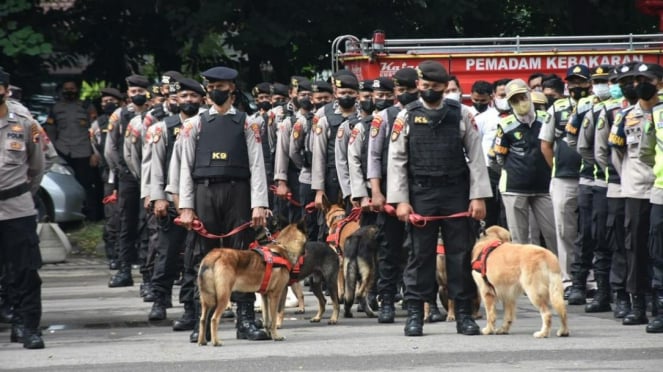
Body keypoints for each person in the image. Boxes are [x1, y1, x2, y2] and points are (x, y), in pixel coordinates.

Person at [387, 60, 492, 336]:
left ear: (446, 87)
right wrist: (401, 200)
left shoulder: (461, 113)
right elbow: (397, 160)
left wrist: (478, 196)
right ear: (418, 86)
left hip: (455, 192)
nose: (429, 91)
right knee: (419, 256)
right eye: (424, 86)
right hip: (421, 193)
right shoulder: (405, 116)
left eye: (435, 87)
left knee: (459, 255)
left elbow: (476, 156)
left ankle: (463, 314)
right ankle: (415, 314)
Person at [177, 66, 270, 342]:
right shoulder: (193, 125)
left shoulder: (247, 122)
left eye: (222, 86)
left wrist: (259, 204)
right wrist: (185, 206)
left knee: (241, 256)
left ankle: (246, 321)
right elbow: (185, 167)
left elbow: (257, 165)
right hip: (204, 193)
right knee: (201, 258)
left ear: (232, 89)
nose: (217, 90)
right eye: (212, 86)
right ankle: (201, 322)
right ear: (207, 91)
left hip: (238, 193)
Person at [145, 77, 206, 324]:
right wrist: (157, 197)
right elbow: (154, 167)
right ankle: (160, 300)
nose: (188, 101)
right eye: (183, 97)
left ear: (202, 99)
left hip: (201, 203)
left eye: (193, 96)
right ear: (175, 100)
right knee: (167, 254)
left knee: (196, 257)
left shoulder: (207, 123)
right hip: (171, 204)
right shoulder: (162, 128)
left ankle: (192, 305)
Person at [609, 62, 659, 326]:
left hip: (660, 188)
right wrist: (631, 177)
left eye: (645, 79)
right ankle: (637, 302)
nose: (639, 84)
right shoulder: (625, 116)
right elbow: (617, 154)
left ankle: (657, 300)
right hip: (638, 190)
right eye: (636, 80)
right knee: (636, 248)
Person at [368, 67, 419, 323]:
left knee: (418, 250)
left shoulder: (425, 113)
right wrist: (376, 191)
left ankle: (417, 301)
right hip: (390, 191)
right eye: (401, 90)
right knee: (389, 249)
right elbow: (374, 157)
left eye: (410, 89)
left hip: (420, 190)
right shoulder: (383, 117)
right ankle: (386, 300)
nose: (405, 94)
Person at [0, 69, 46, 349]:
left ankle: (27, 326)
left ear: (5, 90)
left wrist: (20, 194)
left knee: (25, 271)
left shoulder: (26, 124)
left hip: (17, 209)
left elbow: (37, 167)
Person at [540, 64, 591, 294]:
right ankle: (568, 279)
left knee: (592, 229)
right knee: (564, 230)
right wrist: (557, 167)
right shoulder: (557, 108)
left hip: (593, 177)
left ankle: (591, 278)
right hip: (563, 178)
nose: (576, 86)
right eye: (572, 82)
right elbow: (546, 144)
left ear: (589, 83)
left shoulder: (596, 106)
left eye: (581, 81)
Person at [490, 79, 556, 250]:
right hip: (514, 188)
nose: (521, 102)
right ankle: (521, 275)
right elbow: (498, 158)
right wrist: (514, 171)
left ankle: (561, 272)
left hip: (545, 186)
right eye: (515, 100)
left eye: (523, 97)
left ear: (529, 95)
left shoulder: (547, 118)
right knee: (520, 239)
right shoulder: (505, 125)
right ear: (510, 103)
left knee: (553, 233)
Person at [595, 63, 639, 319]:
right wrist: (624, 175)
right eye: (623, 81)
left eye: (632, 80)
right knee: (620, 245)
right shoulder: (612, 112)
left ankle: (646, 297)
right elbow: (601, 151)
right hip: (618, 187)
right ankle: (621, 295)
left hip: (649, 189)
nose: (629, 86)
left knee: (644, 245)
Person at [571, 65, 615, 312]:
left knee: (615, 239)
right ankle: (581, 285)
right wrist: (599, 164)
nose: (603, 85)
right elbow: (575, 141)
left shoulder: (623, 106)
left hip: (623, 182)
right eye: (599, 81)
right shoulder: (586, 106)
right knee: (588, 234)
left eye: (607, 81)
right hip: (593, 180)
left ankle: (613, 291)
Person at [104, 74, 151, 288]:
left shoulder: (154, 114)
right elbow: (110, 148)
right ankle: (124, 270)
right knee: (126, 223)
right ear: (128, 93)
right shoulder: (119, 115)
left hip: (151, 177)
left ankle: (148, 273)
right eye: (133, 92)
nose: (137, 95)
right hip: (127, 177)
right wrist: (121, 170)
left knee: (149, 225)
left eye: (141, 91)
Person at [45, 80, 101, 220]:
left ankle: (91, 216)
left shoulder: (87, 107)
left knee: (86, 184)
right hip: (62, 151)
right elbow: (50, 131)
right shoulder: (56, 108)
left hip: (83, 151)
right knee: (64, 182)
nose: (69, 91)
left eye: (72, 88)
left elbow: (94, 132)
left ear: (77, 90)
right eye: (66, 88)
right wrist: (51, 152)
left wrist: (95, 153)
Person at [311, 71, 359, 221]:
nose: (346, 96)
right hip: (332, 180)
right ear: (336, 93)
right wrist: (319, 190)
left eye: (350, 92)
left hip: (356, 178)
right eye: (343, 92)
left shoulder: (362, 116)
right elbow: (318, 156)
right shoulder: (325, 119)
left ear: (357, 94)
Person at [90, 87, 124, 269]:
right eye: (104, 102)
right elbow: (95, 146)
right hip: (109, 175)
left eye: (111, 100)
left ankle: (128, 254)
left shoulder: (125, 118)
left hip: (126, 173)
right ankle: (113, 255)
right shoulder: (99, 124)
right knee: (112, 216)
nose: (107, 104)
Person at [640, 64, 663, 333]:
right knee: (658, 253)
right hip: (660, 192)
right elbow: (646, 152)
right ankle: (660, 310)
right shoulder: (655, 115)